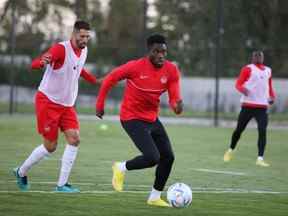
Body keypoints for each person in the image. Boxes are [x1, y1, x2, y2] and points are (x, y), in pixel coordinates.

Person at [96, 34, 183, 207]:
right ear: (149, 51)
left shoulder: (171, 70)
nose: (161, 55)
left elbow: (174, 99)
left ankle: (154, 197)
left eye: (164, 51)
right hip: (131, 117)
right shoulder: (134, 67)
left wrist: (177, 106)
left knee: (168, 157)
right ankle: (120, 167)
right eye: (156, 51)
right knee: (152, 157)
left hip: (152, 118)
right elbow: (110, 79)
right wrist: (100, 104)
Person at [14, 20, 99, 192]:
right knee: (50, 147)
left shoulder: (84, 51)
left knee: (74, 139)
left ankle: (61, 185)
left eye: (87, 37)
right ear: (73, 34)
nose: (85, 40)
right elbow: (38, 62)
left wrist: (94, 80)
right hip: (48, 102)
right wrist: (41, 62)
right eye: (82, 36)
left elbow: (78, 68)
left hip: (67, 105)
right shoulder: (61, 49)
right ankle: (21, 171)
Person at [223, 51, 276, 167]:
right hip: (247, 106)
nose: (258, 57)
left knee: (262, 131)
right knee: (239, 130)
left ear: (263, 57)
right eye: (255, 56)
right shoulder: (247, 69)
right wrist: (243, 90)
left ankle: (260, 158)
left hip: (262, 107)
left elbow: (269, 86)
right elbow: (238, 84)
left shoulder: (268, 70)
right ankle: (230, 150)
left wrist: (272, 97)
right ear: (252, 58)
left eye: (260, 55)